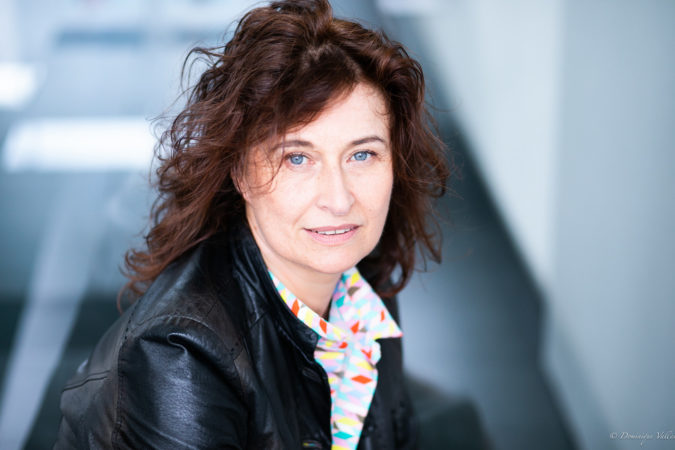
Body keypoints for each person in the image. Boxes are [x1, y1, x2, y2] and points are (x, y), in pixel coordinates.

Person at [55, 0, 449, 448]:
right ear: (240, 172)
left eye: (362, 154)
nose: (339, 200)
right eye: (297, 158)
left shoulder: (364, 289)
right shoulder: (180, 357)